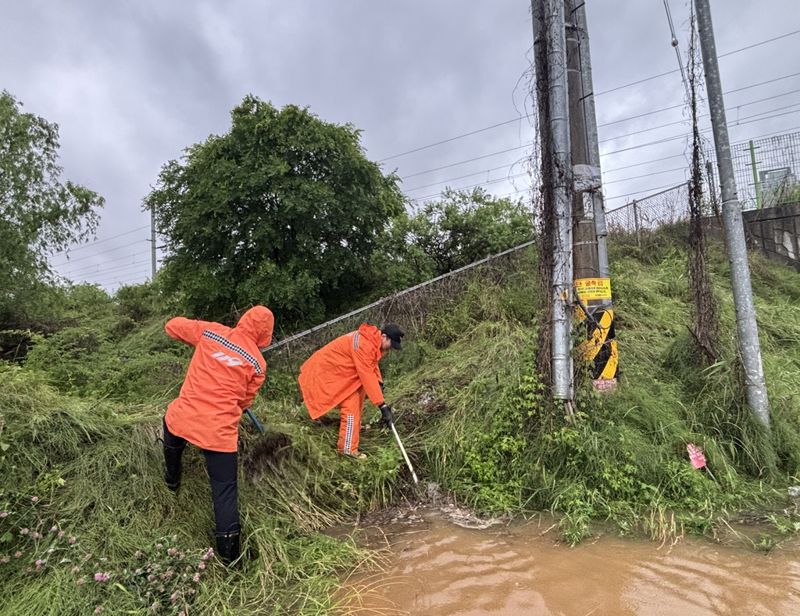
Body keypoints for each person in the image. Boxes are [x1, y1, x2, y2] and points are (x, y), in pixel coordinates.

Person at [161, 305, 274, 565]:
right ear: (265, 333)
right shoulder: (258, 362)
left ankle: (172, 479)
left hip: (185, 419)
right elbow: (245, 402)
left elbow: (172, 326)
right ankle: (230, 557)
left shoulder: (211, 332)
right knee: (224, 491)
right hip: (219, 434)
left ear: (243, 320)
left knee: (170, 423)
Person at [298, 323, 404, 459]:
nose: (391, 349)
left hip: (343, 372)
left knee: (360, 394)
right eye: (392, 344)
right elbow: (366, 374)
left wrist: (379, 381)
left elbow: (371, 364)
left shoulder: (372, 341)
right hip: (328, 371)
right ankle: (347, 449)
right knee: (350, 410)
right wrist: (382, 405)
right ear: (384, 336)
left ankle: (355, 428)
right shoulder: (364, 344)